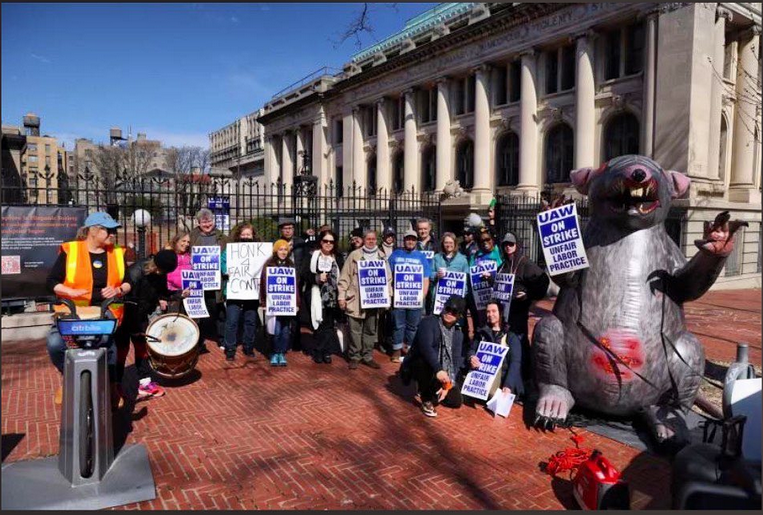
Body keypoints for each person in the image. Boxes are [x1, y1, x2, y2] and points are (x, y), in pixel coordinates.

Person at [46, 212, 131, 407]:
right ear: (94, 231)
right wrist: (69, 292)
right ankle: (67, 377)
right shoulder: (71, 251)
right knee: (55, 343)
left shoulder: (117, 253)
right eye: (109, 230)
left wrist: (118, 289)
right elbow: (52, 282)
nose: (113, 234)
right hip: (73, 311)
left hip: (104, 311)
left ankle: (111, 385)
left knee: (108, 346)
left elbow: (128, 282)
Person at [116, 250, 187, 402]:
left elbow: (162, 293)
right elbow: (126, 296)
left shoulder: (160, 273)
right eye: (161, 270)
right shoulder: (136, 270)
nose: (162, 273)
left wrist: (179, 294)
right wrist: (133, 323)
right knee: (121, 351)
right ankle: (116, 385)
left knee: (142, 350)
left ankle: (144, 383)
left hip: (141, 316)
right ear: (156, 264)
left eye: (165, 272)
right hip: (127, 315)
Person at [400, 296, 476, 418]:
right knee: (425, 362)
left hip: (441, 371)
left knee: (456, 401)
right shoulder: (428, 322)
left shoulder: (458, 333)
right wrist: (438, 370)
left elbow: (455, 361)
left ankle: (434, 390)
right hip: (421, 363)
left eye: (454, 312)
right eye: (448, 308)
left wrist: (447, 385)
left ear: (459, 316)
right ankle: (426, 397)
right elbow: (426, 348)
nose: (449, 313)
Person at [497, 231, 549, 385]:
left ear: (517, 245)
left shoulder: (525, 263)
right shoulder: (503, 264)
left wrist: (529, 295)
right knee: (509, 342)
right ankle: (512, 375)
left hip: (519, 310)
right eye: (505, 244)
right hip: (506, 311)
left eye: (511, 244)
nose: (508, 247)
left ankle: (525, 377)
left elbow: (543, 280)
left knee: (519, 342)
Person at [338, 229, 392, 370]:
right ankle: (355, 356)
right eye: (368, 239)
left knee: (370, 330)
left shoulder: (382, 256)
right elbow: (344, 277)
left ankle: (367, 356)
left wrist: (388, 297)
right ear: (363, 240)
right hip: (355, 300)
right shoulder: (354, 255)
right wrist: (341, 297)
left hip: (374, 300)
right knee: (354, 330)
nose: (371, 241)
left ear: (377, 240)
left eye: (373, 239)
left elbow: (388, 279)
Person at [388, 230, 432, 362]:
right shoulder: (395, 255)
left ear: (416, 241)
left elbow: (426, 277)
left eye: (413, 239)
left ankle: (409, 350)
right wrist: (391, 293)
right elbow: (388, 275)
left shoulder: (421, 257)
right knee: (398, 325)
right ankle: (396, 349)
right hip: (398, 298)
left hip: (415, 298)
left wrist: (423, 295)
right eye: (408, 239)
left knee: (413, 326)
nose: (410, 241)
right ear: (404, 240)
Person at [189, 208, 228, 353]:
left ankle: (222, 338)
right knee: (197, 312)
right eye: (204, 221)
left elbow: (229, 255)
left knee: (218, 310)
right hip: (197, 282)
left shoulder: (222, 237)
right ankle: (197, 342)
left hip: (216, 281)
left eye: (209, 221)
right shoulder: (191, 236)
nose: (207, 224)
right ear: (198, 223)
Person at [468, 300, 524, 399]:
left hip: (502, 382)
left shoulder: (511, 336)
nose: (490, 314)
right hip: (482, 383)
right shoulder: (481, 332)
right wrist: (471, 357)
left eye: (494, 311)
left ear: (501, 313)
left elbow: (515, 362)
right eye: (488, 312)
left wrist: (508, 385)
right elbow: (472, 349)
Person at [221, 223, 260, 361]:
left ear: (253, 236)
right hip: (234, 290)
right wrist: (227, 270)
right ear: (238, 236)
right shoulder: (231, 250)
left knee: (250, 320)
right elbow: (223, 261)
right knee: (232, 320)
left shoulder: (258, 250)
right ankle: (230, 348)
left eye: (248, 235)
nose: (245, 237)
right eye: (243, 235)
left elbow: (264, 265)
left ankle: (248, 346)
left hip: (251, 290)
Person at [304, 229, 344, 364]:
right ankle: (318, 351)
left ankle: (326, 352)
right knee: (319, 325)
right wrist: (316, 277)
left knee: (328, 325)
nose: (328, 244)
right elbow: (304, 274)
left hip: (332, 296)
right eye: (325, 241)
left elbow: (342, 276)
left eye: (331, 241)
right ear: (320, 242)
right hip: (316, 295)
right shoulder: (312, 256)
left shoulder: (337, 257)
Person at [259, 240, 300, 366]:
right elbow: (263, 284)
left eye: (285, 249)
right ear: (276, 250)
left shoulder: (290, 265)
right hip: (273, 304)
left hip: (287, 304)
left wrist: (297, 303)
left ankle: (281, 353)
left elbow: (295, 286)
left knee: (285, 330)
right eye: (280, 249)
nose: (283, 252)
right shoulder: (269, 265)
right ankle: (274, 352)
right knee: (275, 330)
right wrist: (264, 302)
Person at [468, 228, 503, 329]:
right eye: (482, 240)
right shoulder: (475, 256)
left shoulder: (500, 253)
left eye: (488, 239)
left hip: (496, 298)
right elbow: (470, 274)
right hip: (480, 299)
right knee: (480, 327)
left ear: (493, 239)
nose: (485, 242)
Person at [165, 231, 192, 310]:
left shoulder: (189, 256)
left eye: (188, 242)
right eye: (183, 241)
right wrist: (161, 299)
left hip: (188, 295)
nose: (186, 244)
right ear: (176, 241)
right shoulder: (168, 255)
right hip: (172, 295)